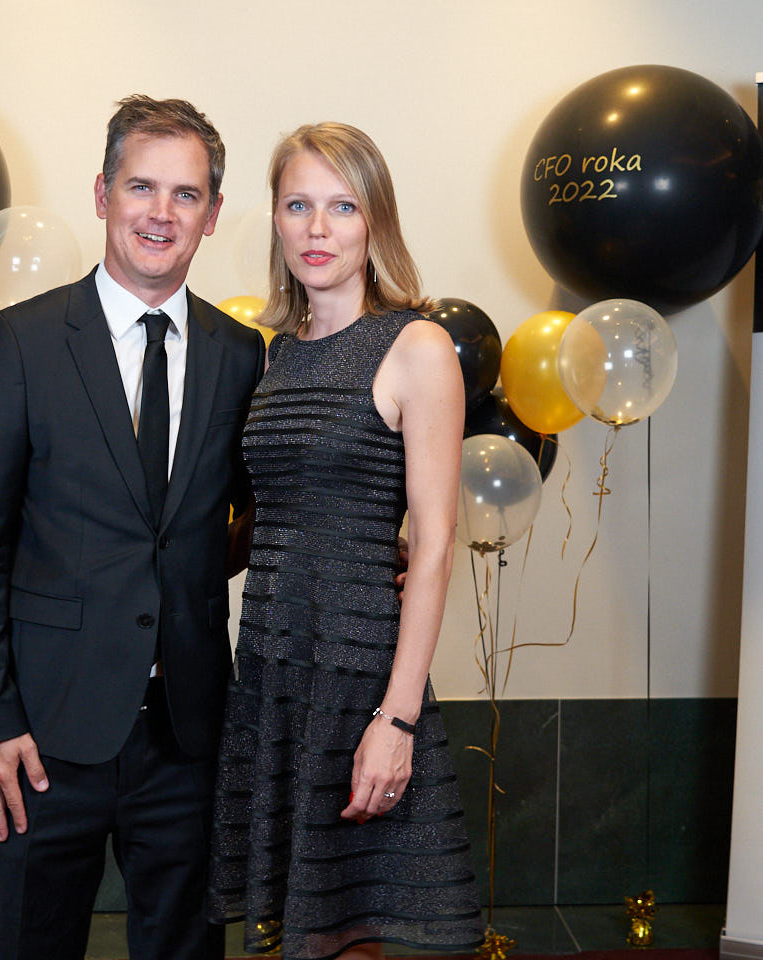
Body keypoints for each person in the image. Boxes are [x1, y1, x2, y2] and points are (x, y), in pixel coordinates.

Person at [0, 95, 265, 960]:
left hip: (188, 734)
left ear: (211, 213)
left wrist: (368, 544)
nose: (161, 213)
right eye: (140, 187)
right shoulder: (19, 343)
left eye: (185, 194)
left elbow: (252, 513)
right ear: (101, 194)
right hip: (42, 736)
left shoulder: (240, 354)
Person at [208, 123, 482, 958]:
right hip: (269, 663)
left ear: (374, 221)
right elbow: (265, 518)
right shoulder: (272, 357)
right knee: (297, 928)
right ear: (275, 219)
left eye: (341, 206)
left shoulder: (414, 346)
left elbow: (433, 544)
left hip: (359, 672)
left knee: (350, 928)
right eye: (298, 206)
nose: (317, 228)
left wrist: (395, 720)